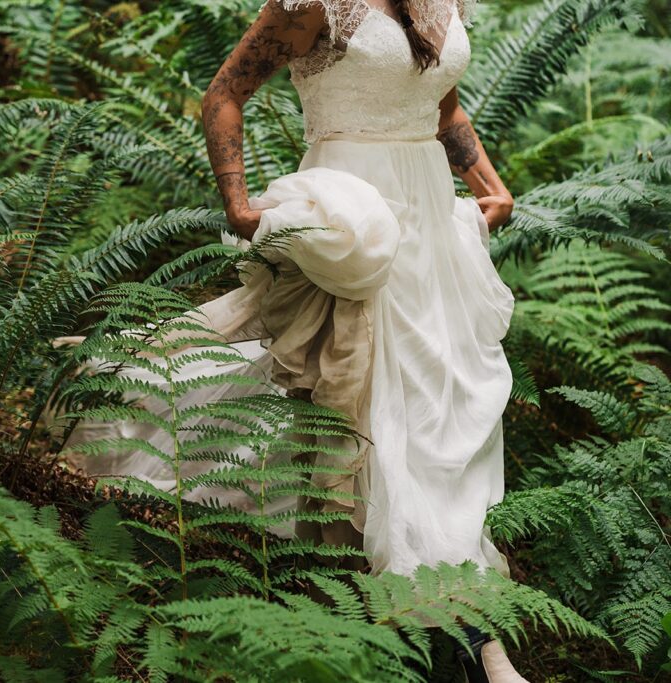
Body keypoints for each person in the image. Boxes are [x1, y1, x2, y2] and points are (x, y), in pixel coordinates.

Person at [58, 0, 526, 679]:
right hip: (353, 225)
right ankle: (454, 630)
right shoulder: (314, 5)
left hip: (432, 230)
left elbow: (442, 106)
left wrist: (489, 185)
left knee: (444, 412)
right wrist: (240, 206)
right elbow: (225, 93)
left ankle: (459, 607)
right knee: (377, 409)